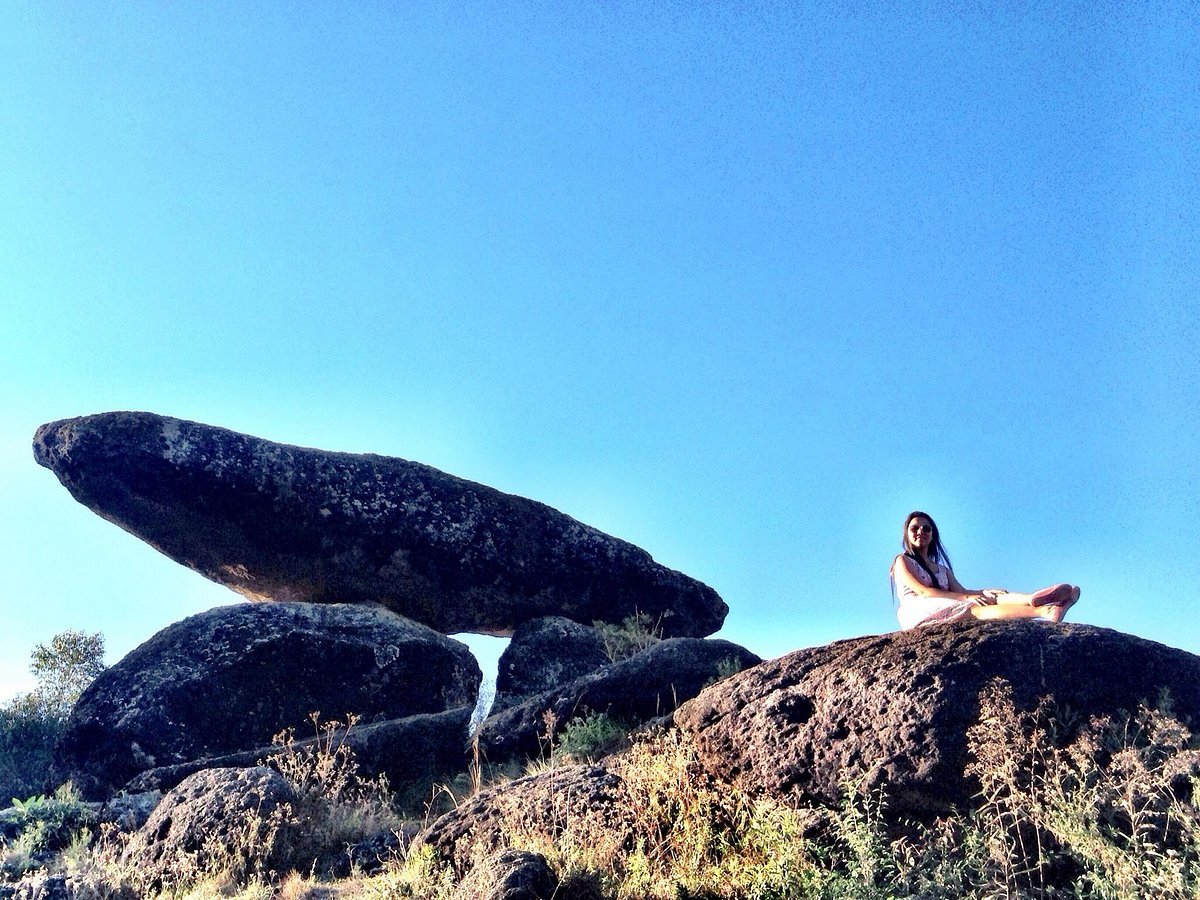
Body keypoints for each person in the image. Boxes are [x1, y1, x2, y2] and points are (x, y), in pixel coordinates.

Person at [891, 510, 1080, 631]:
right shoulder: (902, 561)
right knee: (975, 608)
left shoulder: (942, 569)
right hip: (918, 609)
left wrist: (985, 592)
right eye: (915, 528)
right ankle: (1044, 611)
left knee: (990, 597)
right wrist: (969, 598)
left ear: (932, 535)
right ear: (907, 533)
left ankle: (1032, 599)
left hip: (945, 602)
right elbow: (925, 592)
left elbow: (961, 591)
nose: (921, 532)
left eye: (926, 529)